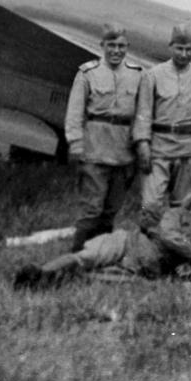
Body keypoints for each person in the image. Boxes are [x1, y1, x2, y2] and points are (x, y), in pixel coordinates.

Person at [13, 186, 191, 289]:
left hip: (142, 269)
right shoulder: (177, 214)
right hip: (125, 243)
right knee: (86, 257)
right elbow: (168, 235)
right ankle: (39, 274)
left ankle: (54, 282)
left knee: (93, 278)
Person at [64, 23, 143, 251]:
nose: (116, 51)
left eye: (121, 46)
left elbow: (142, 113)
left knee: (111, 210)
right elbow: (75, 112)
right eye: (111, 45)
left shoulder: (138, 75)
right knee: (91, 209)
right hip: (94, 150)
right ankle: (77, 257)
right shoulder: (87, 73)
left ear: (127, 47)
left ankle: (100, 254)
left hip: (123, 153)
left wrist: (140, 145)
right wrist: (75, 144)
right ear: (102, 45)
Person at [133, 24, 191, 213]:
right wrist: (142, 143)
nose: (184, 54)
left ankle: (177, 231)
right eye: (179, 48)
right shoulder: (153, 74)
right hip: (160, 147)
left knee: (184, 206)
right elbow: (143, 112)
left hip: (190, 149)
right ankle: (147, 230)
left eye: (188, 49)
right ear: (170, 46)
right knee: (150, 203)